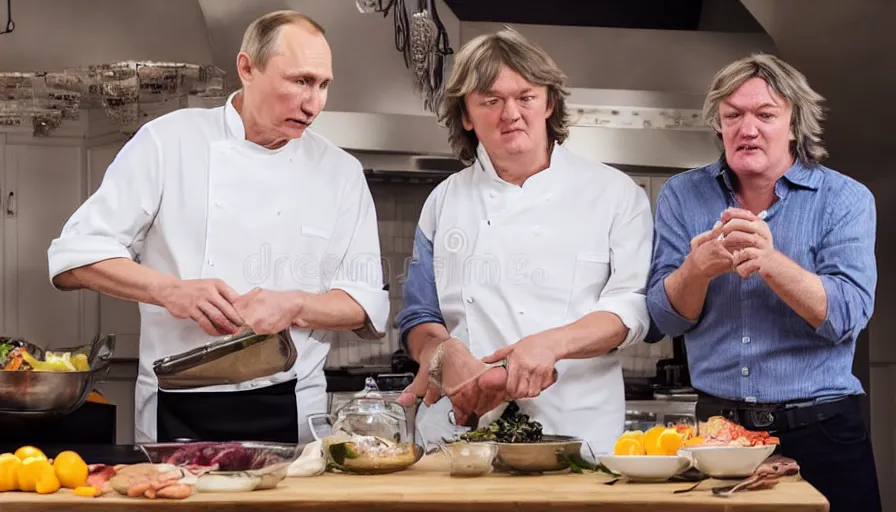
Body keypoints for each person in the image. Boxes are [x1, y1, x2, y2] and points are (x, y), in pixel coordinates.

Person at [47, 10, 388, 445]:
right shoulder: (167, 143)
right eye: (300, 81)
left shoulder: (340, 172)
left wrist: (295, 305)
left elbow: (362, 304)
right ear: (247, 68)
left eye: (323, 85)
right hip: (176, 403)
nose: (314, 103)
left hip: (291, 404)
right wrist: (171, 291)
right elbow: (74, 257)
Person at [395, 28, 653, 457]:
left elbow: (632, 308)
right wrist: (443, 353)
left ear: (549, 103)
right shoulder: (444, 201)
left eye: (525, 97)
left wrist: (551, 344)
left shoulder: (614, 193)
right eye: (490, 100)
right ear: (466, 115)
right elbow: (420, 315)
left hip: (575, 433)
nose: (510, 113)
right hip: (462, 434)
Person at [647, 53, 881, 511]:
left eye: (765, 115)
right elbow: (661, 319)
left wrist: (770, 261)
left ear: (795, 124)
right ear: (719, 123)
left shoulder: (846, 199)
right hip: (716, 432)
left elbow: (848, 316)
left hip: (824, 430)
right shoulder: (681, 195)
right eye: (732, 115)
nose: (746, 128)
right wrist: (697, 270)